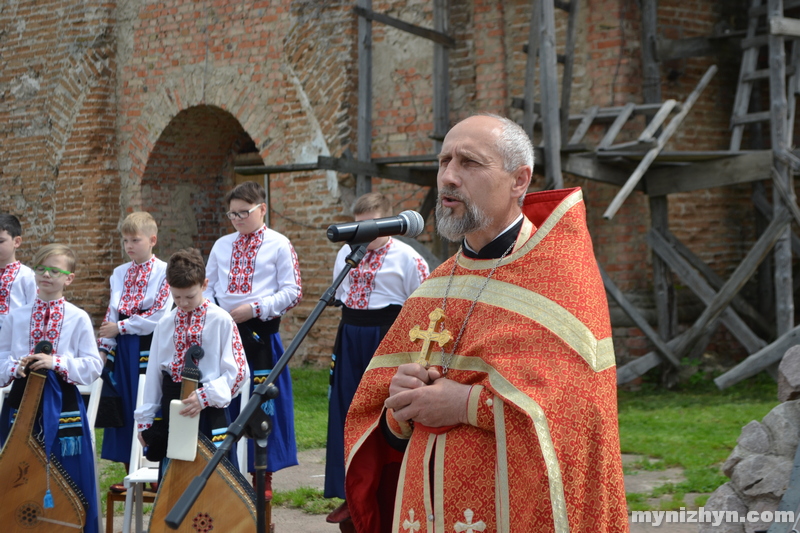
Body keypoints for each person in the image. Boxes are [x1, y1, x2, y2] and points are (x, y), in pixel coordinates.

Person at [343, 114, 627, 532]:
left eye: (469, 163)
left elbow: (579, 413)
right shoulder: (436, 285)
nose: (449, 177)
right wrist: (398, 410)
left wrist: (464, 405)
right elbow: (382, 430)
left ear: (519, 180)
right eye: (443, 162)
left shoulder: (560, 278)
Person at [325, 193, 430, 525]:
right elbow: (339, 295)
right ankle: (346, 489)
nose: (362, 236)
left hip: (385, 335)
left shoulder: (408, 258)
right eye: (358, 227)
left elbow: (421, 304)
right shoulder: (346, 252)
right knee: (344, 407)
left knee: (378, 409)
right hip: (350, 331)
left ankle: (381, 488)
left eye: (369, 227)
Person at [204, 181, 302, 500]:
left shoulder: (279, 244)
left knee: (263, 401)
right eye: (232, 214)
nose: (237, 220)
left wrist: (255, 308)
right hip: (225, 329)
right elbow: (209, 286)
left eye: (244, 213)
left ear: (262, 209)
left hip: (261, 330)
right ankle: (225, 467)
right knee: (227, 398)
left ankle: (263, 473)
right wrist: (214, 312)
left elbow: (292, 291)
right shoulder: (221, 245)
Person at [0, 244, 103, 533]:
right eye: (41, 268)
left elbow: (93, 366)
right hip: (21, 403)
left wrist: (56, 362)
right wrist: (14, 367)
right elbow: (1, 359)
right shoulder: (16, 316)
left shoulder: (77, 317)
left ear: (68, 278)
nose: (46, 275)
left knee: (68, 471)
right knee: (15, 469)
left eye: (54, 270)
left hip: (63, 404)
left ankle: (69, 525)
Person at [134, 249, 249, 470]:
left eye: (190, 296)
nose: (183, 303)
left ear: (204, 285)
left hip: (208, 410)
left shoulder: (221, 320)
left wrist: (206, 396)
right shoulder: (164, 324)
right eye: (176, 297)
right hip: (173, 412)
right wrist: (146, 420)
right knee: (175, 478)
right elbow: (154, 377)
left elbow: (239, 372)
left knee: (213, 480)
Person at [97, 211, 173, 483]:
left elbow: (159, 316)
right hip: (122, 349)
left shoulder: (165, 271)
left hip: (148, 346)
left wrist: (122, 327)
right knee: (123, 405)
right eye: (125, 240)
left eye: (135, 240)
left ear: (152, 240)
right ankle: (129, 469)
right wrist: (104, 350)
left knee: (148, 402)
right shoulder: (119, 273)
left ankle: (153, 466)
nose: (129, 245)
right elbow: (112, 313)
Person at [0, 214, 37, 331]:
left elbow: (35, 309)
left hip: (15, 338)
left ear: (16, 241)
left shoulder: (26, 275)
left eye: (0, 241)